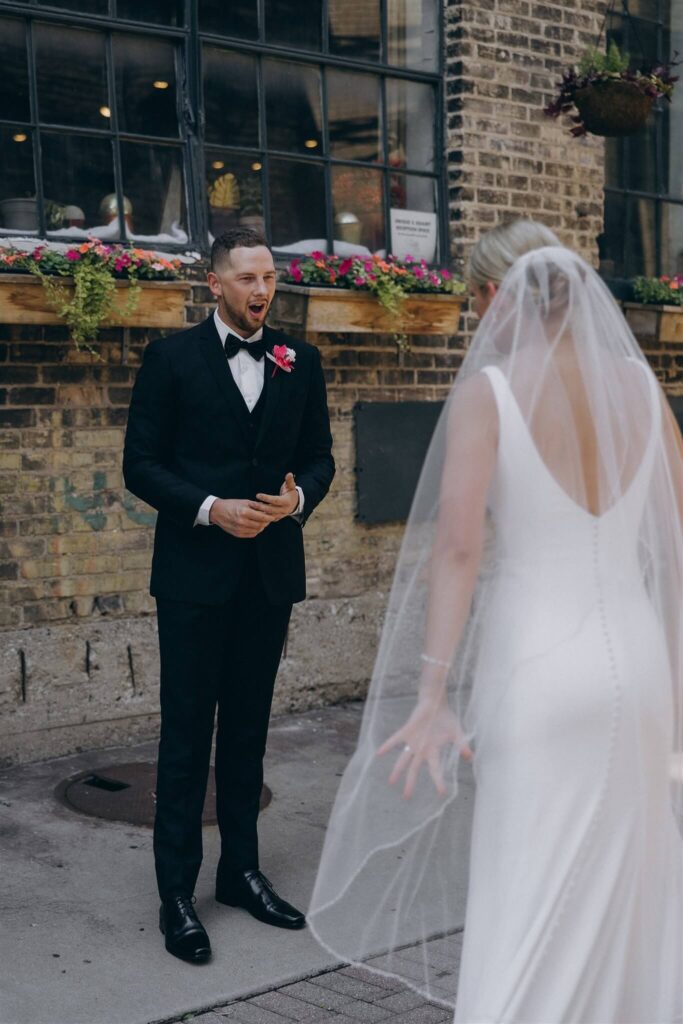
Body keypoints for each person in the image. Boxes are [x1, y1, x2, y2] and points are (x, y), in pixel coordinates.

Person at [308, 221, 683, 1023]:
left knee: (528, 890)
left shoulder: (492, 393)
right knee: (629, 890)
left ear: (493, 296)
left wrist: (432, 693)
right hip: (642, 670)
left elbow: (455, 550)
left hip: (539, 677)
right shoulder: (642, 392)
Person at [123, 228, 335, 964]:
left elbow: (320, 455)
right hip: (192, 578)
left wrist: (297, 496)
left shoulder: (298, 361)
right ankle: (176, 894)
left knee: (247, 732)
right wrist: (213, 508)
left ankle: (241, 872)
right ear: (214, 283)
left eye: (270, 277)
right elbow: (140, 465)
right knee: (186, 738)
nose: (261, 290)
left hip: (268, 574)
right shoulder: (171, 358)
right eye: (246, 278)